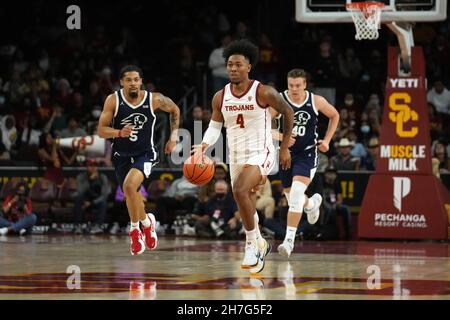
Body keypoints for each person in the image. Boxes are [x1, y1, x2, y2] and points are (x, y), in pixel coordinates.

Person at [194, 39, 294, 274]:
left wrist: (285, 146)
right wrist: (203, 146)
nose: (233, 68)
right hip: (236, 156)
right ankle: (259, 240)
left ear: (249, 66)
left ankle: (251, 246)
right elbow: (215, 126)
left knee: (239, 190)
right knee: (244, 197)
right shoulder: (220, 96)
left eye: (238, 64)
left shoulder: (264, 92)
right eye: (229, 64)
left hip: (262, 152)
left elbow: (287, 112)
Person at [98, 65, 180, 256]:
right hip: (121, 155)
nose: (133, 83)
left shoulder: (154, 99)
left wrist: (173, 136)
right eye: (129, 80)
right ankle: (147, 223)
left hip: (145, 154)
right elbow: (101, 130)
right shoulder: (113, 100)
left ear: (141, 82)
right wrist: (118, 132)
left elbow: (175, 109)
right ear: (121, 82)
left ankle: (135, 231)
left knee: (129, 187)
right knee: (131, 194)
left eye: (136, 79)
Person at [271, 68, 339, 258]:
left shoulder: (316, 100)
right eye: (291, 85)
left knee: (296, 194)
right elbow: (264, 124)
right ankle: (311, 204)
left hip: (307, 154)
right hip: (285, 154)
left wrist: (326, 141)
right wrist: (279, 135)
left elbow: (335, 116)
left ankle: (289, 241)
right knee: (292, 197)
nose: (294, 89)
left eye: (298, 85)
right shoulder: (279, 100)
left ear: (305, 85)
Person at [73, 159, 111, 234]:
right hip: (84, 201)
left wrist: (92, 203)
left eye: (94, 166)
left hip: (96, 201)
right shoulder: (81, 177)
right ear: (87, 167)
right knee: (78, 198)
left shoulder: (102, 177)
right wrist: (90, 180)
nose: (92, 168)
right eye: (90, 166)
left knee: (103, 202)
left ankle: (98, 226)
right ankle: (78, 226)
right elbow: (80, 191)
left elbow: (105, 194)